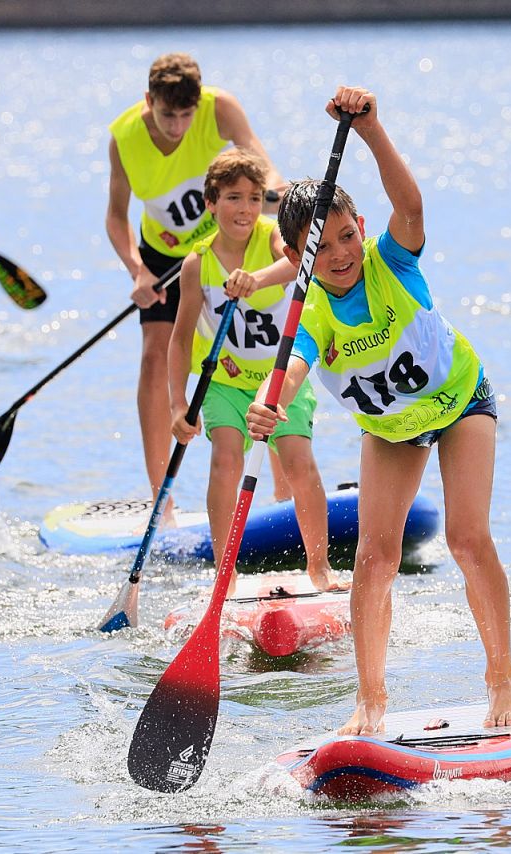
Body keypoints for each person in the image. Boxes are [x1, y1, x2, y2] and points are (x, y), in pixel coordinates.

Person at [246, 86, 511, 735]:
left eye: (348, 236)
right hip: (391, 431)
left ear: (362, 230)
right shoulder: (308, 312)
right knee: (374, 558)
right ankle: (369, 701)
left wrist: (370, 130)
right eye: (324, 248)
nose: (340, 254)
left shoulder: (391, 259)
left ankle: (502, 678)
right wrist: (266, 406)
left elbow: (411, 203)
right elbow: (287, 373)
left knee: (466, 537)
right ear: (294, 260)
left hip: (459, 405)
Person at [106, 53, 289, 523]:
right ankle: (160, 500)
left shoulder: (220, 107)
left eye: (187, 115)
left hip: (229, 239)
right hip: (164, 256)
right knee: (155, 354)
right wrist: (137, 271)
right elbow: (115, 215)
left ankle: (279, 496)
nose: (179, 125)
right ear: (150, 102)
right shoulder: (124, 137)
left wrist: (276, 191)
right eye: (168, 114)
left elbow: (259, 160)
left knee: (256, 350)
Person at [168, 148, 347, 596]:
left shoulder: (271, 237)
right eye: (232, 198)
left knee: (298, 462)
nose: (244, 208)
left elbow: (298, 264)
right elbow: (179, 337)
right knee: (225, 459)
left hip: (281, 377)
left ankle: (320, 569)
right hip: (225, 383)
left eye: (252, 198)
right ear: (211, 203)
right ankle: (224, 575)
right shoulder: (197, 263)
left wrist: (258, 279)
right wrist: (177, 403)